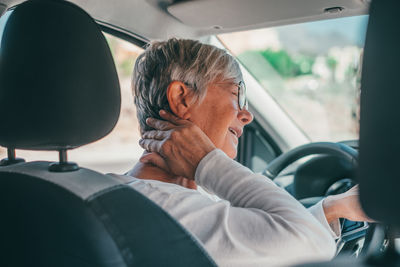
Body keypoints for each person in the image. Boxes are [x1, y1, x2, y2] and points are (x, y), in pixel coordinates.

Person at [114, 38, 370, 266]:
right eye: (237, 94)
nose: (247, 115)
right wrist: (207, 162)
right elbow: (310, 245)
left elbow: (252, 240)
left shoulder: (135, 196)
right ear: (182, 98)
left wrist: (331, 208)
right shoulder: (169, 212)